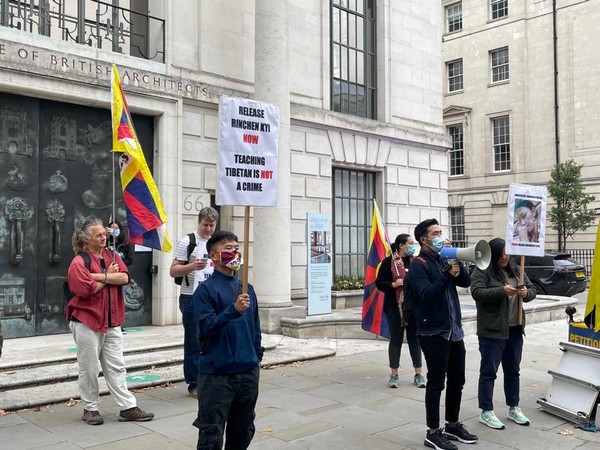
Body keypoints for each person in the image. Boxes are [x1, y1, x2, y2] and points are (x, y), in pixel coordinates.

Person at [66, 216, 153, 425]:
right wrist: (107, 277)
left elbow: (124, 278)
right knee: (88, 368)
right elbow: (84, 289)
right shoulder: (79, 262)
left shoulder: (112, 255)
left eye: (104, 234)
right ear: (87, 239)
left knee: (117, 366)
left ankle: (127, 407)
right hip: (87, 320)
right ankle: (91, 409)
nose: (104, 238)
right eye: (99, 235)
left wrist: (99, 277)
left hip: (112, 321)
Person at [406, 218, 478, 450]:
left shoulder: (442, 259)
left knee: (458, 379)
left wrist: (457, 264)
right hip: (433, 332)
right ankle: (433, 431)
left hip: (453, 331)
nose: (441, 236)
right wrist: (447, 274)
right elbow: (426, 294)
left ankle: (453, 424)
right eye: (435, 233)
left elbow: (465, 282)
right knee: (437, 382)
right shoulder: (419, 265)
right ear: (424, 239)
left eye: (441, 232)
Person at [192, 230, 263, 450]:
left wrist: (256, 356)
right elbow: (207, 327)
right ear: (213, 256)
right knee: (211, 433)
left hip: (247, 372)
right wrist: (233, 310)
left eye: (236, 247)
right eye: (228, 248)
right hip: (217, 376)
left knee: (242, 430)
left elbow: (255, 328)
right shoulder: (205, 291)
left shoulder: (246, 288)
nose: (234, 252)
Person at [470, 237, 536, 430]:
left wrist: (526, 294)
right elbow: (477, 293)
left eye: (508, 253)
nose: (505, 257)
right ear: (494, 254)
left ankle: (513, 407)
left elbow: (531, 290)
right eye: (501, 253)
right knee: (489, 372)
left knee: (513, 370)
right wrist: (501, 291)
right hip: (492, 330)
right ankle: (486, 411)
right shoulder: (482, 270)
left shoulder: (516, 269)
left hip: (515, 328)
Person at [169, 207, 218, 398]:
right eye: (205, 225)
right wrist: (192, 266)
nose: (208, 229)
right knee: (193, 342)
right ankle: (194, 384)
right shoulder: (187, 242)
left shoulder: (217, 242)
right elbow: (173, 271)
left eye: (211, 226)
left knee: (212, 339)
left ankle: (210, 378)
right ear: (199, 223)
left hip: (213, 298)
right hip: (191, 297)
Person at [376, 233, 426, 389]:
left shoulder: (416, 262)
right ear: (401, 245)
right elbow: (379, 283)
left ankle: (418, 374)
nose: (413, 246)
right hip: (394, 308)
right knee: (396, 341)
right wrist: (393, 284)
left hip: (413, 308)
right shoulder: (388, 263)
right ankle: (394, 375)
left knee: (414, 341)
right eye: (410, 243)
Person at [107, 220, 134, 333]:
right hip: (108, 274)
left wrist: (119, 259)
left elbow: (130, 260)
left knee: (119, 299)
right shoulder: (106, 242)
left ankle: (119, 323)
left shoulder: (125, 243)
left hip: (120, 275)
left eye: (116, 228)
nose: (114, 230)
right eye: (111, 228)